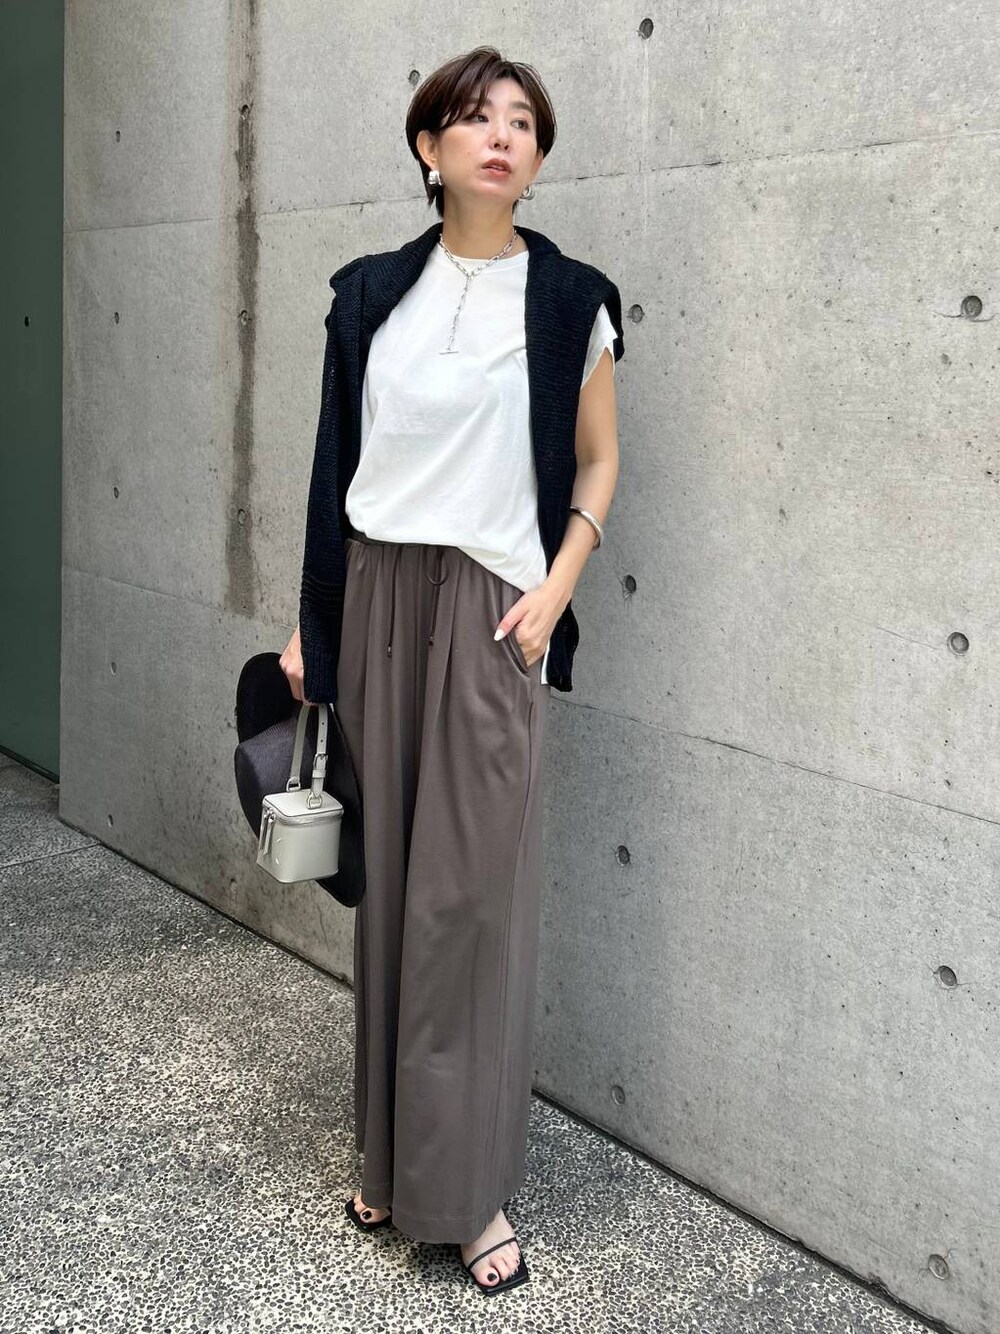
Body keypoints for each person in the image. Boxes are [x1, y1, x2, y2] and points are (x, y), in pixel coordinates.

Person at [279, 44, 624, 1295]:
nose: (499, 135)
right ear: (429, 147)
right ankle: (391, 1153)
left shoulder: (572, 298)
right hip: (378, 594)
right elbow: (336, 466)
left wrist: (556, 588)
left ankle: (467, 1187)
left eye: (521, 121)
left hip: (492, 611)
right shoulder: (370, 293)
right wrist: (313, 622)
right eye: (474, 117)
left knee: (468, 906)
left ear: (537, 155)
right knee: (392, 895)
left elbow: (597, 459)